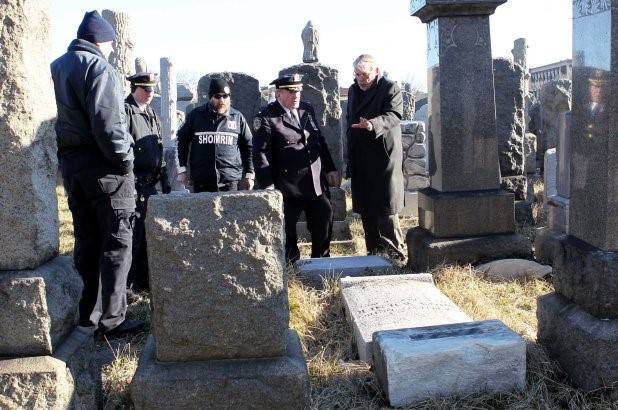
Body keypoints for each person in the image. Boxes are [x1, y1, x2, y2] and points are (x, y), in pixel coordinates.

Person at [50, 10, 144, 337]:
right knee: (117, 244)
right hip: (105, 169)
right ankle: (112, 321)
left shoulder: (56, 67)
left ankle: (84, 316)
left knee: (86, 243)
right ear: (102, 40)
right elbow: (108, 125)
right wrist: (125, 162)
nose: (112, 50)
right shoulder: (98, 67)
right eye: (110, 44)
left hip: (72, 168)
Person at [253, 74, 340, 263]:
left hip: (315, 183)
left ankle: (321, 264)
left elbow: (319, 141)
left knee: (324, 221)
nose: (296, 96)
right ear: (278, 95)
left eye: (298, 91)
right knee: (287, 234)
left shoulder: (306, 110)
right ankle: (292, 271)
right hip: (287, 187)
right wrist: (267, 185)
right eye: (291, 92)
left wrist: (330, 168)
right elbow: (260, 153)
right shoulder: (267, 117)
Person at [346, 54, 406, 260]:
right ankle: (374, 257)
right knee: (367, 212)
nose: (361, 79)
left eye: (365, 74)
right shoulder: (354, 90)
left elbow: (394, 115)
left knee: (386, 212)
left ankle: (397, 258)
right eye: (357, 74)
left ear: (376, 71)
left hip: (382, 159)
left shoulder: (390, 88)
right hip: (360, 158)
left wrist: (372, 124)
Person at [124, 72, 171, 294]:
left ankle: (143, 282)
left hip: (151, 184)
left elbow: (158, 148)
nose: (150, 93)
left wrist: (165, 181)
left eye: (152, 89)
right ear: (135, 88)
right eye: (146, 89)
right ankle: (128, 286)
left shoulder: (151, 113)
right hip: (134, 184)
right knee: (132, 237)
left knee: (146, 236)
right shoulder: (126, 112)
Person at [176, 78, 254, 192]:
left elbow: (249, 146)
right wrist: (181, 170)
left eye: (225, 96)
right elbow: (180, 140)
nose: (222, 100)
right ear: (211, 97)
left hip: (230, 183)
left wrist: (250, 175)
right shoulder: (196, 116)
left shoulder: (237, 117)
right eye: (217, 96)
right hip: (202, 182)